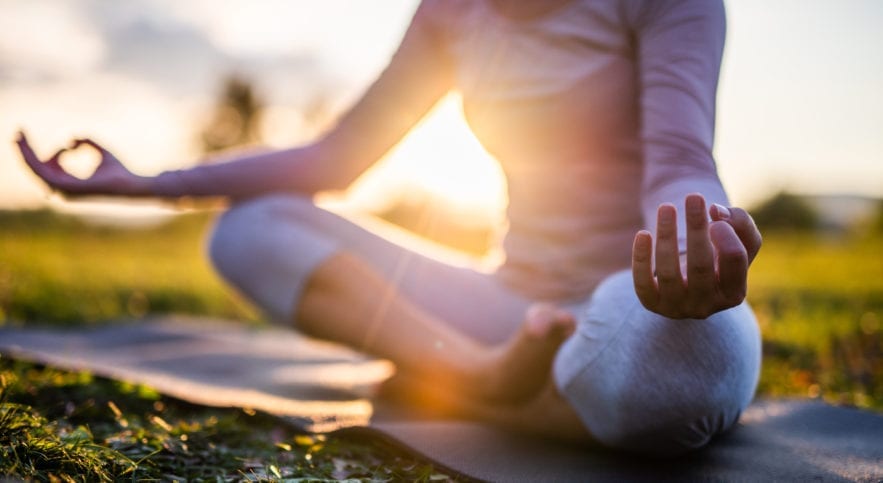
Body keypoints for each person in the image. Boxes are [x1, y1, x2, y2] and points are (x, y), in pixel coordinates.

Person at [16, 0, 762, 455]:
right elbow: (335, 158)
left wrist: (703, 237)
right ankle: (474, 374)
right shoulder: (452, 10)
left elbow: (678, 161)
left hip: (632, 303)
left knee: (686, 370)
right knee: (248, 229)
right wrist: (147, 184)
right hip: (507, 308)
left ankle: (468, 385)